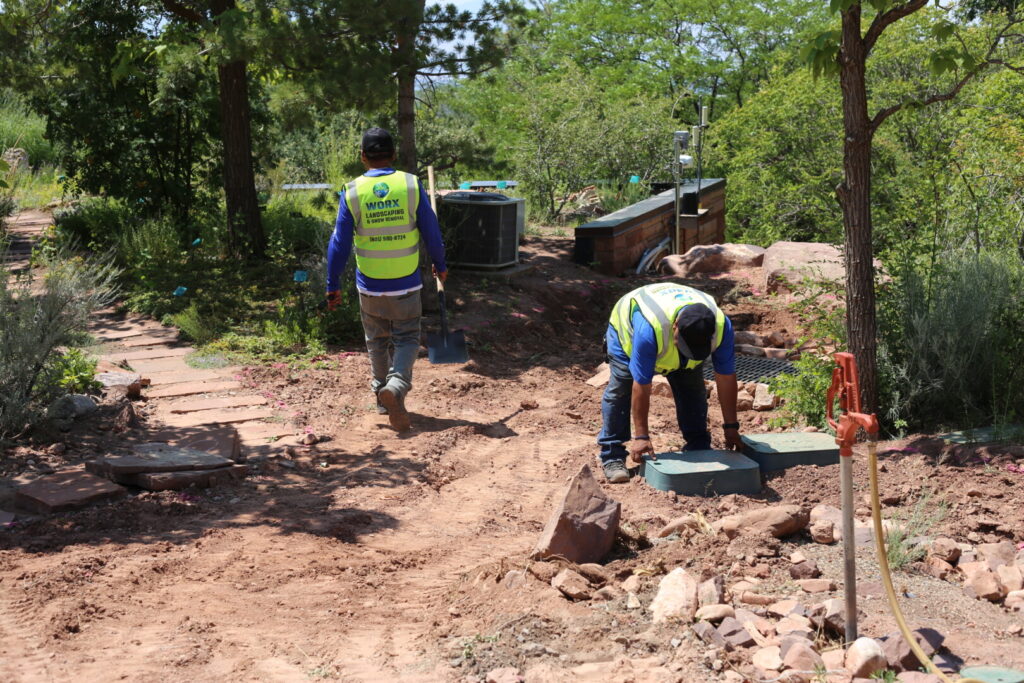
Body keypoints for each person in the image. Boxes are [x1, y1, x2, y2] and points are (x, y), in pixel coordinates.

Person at [326, 127, 447, 432]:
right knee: (406, 337)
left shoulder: (352, 190)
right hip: (405, 282)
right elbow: (431, 231)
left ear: (362, 157)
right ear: (393, 155)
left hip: (370, 284)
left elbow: (338, 243)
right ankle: (396, 385)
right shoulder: (410, 184)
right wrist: (440, 264)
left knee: (376, 340)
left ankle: (383, 397)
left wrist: (333, 284)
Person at [598, 282, 741, 483]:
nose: (688, 351)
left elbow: (726, 377)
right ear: (675, 327)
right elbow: (642, 384)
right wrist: (642, 437)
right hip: (627, 336)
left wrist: (731, 427)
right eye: (685, 345)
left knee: (692, 388)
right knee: (621, 388)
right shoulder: (649, 329)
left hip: (666, 336)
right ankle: (612, 455)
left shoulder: (721, 326)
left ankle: (697, 445)